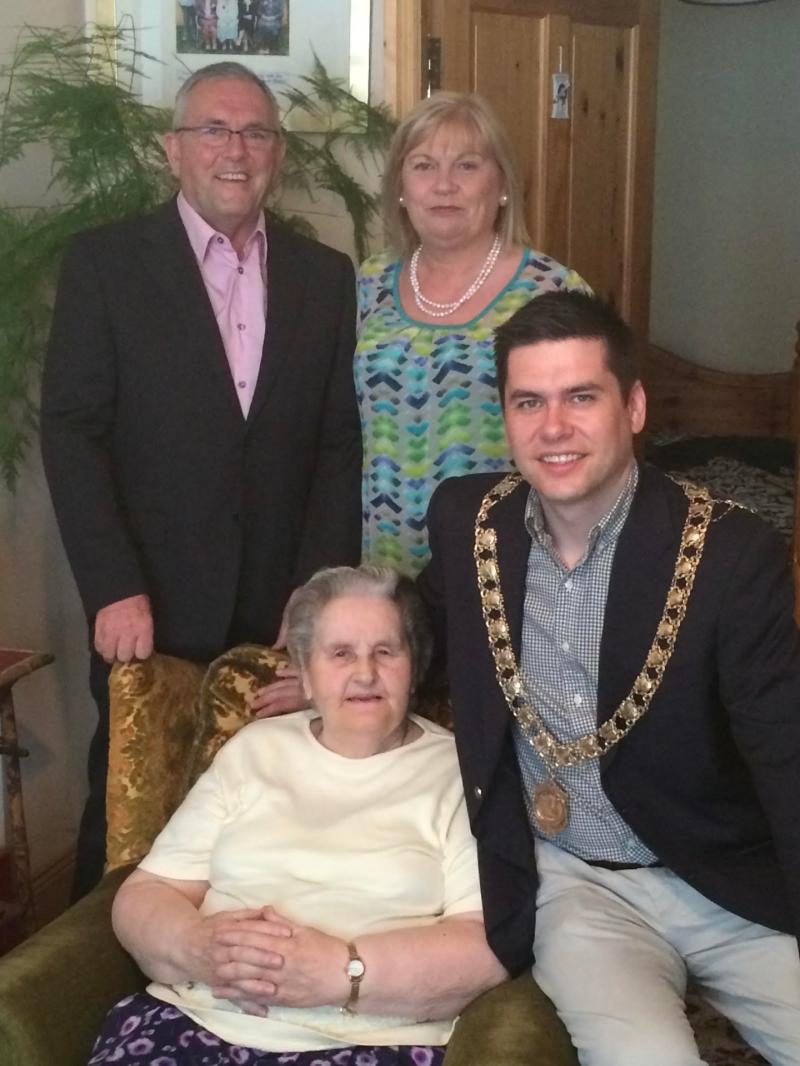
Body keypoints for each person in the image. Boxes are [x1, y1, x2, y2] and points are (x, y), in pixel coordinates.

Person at [417, 290, 800, 1066]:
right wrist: (336, 657)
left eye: (580, 397)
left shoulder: (730, 556)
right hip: (576, 889)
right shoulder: (471, 523)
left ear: (632, 407)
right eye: (529, 402)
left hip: (722, 878)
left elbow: (786, 751)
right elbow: (420, 618)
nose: (553, 428)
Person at [40, 62, 361, 899]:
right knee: (129, 819)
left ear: (278, 154)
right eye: (213, 130)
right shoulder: (105, 265)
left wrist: (317, 601)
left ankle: (237, 996)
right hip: (148, 606)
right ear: (171, 149)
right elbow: (73, 433)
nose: (235, 149)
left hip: (275, 611)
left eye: (255, 132)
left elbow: (335, 448)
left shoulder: (325, 279)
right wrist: (112, 585)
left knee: (271, 814)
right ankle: (90, 994)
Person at [90, 565, 507, 1066]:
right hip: (195, 1019)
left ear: (414, 667)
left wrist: (342, 971)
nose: (365, 673)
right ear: (304, 674)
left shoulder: (460, 772)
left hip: (366, 1043)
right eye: (340, 653)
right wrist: (198, 946)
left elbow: (487, 946)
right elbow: (145, 893)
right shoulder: (254, 750)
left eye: (385, 651)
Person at [355, 91, 589, 578]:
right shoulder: (366, 285)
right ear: (400, 186)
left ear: (501, 183)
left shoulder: (553, 291)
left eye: (466, 166)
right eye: (423, 166)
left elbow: (595, 437)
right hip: (381, 571)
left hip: (514, 566)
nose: (444, 185)